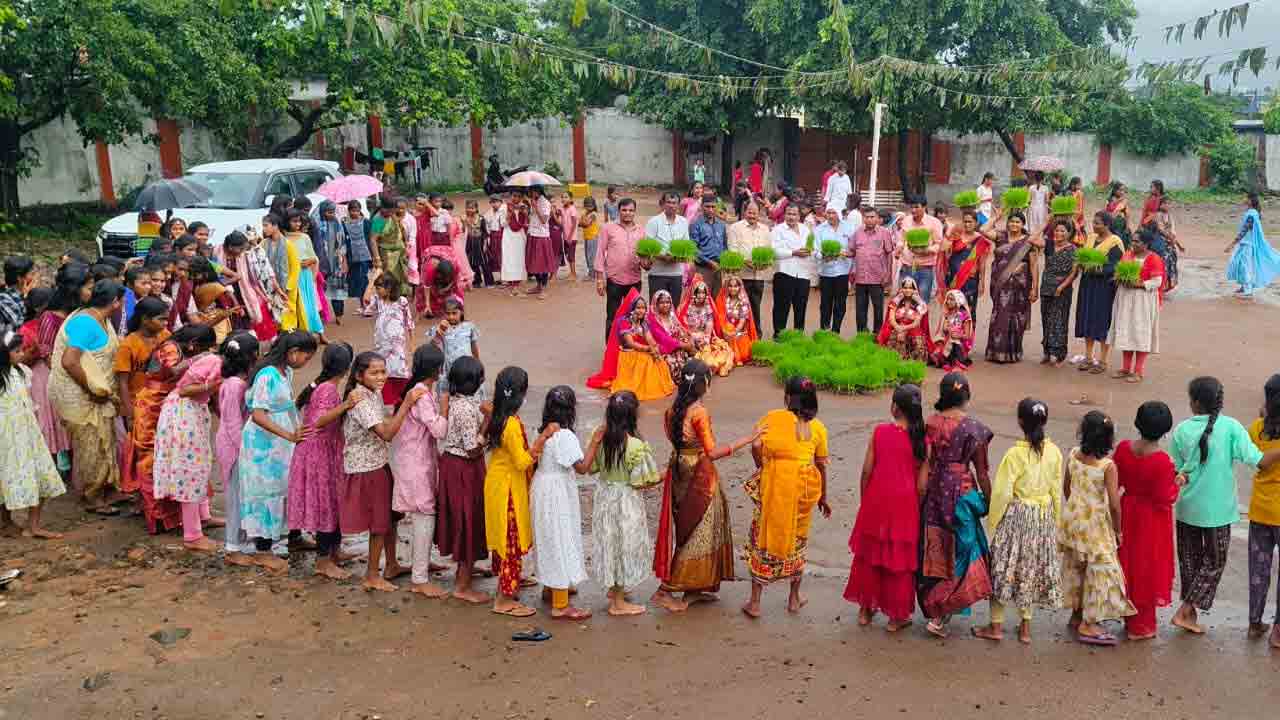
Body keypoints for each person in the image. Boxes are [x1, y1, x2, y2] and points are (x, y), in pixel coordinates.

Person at [1170, 376, 1280, 634]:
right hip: (1218, 511)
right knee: (1214, 562)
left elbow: (1174, 469)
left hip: (1187, 508)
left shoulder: (1183, 430)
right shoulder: (1231, 427)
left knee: (1190, 562)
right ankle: (1186, 610)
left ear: (1194, 403)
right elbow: (1260, 461)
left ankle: (1189, 612)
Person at [652, 359, 757, 612]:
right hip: (699, 472)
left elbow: (677, 442)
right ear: (704, 384)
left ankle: (694, 588)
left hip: (679, 468)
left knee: (687, 525)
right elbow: (712, 452)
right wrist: (745, 440)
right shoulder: (699, 412)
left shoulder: (671, 411)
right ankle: (666, 590)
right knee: (699, 528)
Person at [972, 398, 1063, 644]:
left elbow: (1002, 493)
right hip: (1041, 517)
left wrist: (993, 521)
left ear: (1020, 421)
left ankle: (996, 626)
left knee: (1003, 568)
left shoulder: (1014, 454)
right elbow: (1056, 490)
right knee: (1029, 570)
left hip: (1016, 517)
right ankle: (1025, 628)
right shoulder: (1054, 452)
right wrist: (1055, 523)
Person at [742, 376, 831, 618]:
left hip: (775, 488)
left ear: (787, 398)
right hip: (803, 490)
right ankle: (794, 598)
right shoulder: (819, 428)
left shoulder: (771, 418)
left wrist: (764, 468)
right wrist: (823, 496)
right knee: (798, 540)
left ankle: (755, 602)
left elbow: (756, 445)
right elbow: (821, 465)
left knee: (764, 537)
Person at [341, 351, 425, 592]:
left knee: (390, 516)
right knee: (379, 522)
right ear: (359, 375)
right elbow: (386, 433)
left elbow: (385, 421)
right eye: (374, 372)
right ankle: (371, 574)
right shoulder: (361, 401)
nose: (381, 377)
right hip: (366, 467)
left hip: (377, 461)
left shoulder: (372, 394)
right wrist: (407, 404)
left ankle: (391, 564)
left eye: (383, 371)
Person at [918, 372, 994, 638]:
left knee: (936, 548)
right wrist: (989, 500)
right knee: (963, 548)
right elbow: (982, 472)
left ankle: (936, 608)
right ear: (966, 397)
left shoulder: (931, 423)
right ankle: (941, 613)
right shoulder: (974, 429)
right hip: (962, 494)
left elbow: (925, 463)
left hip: (935, 490)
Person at [844, 384, 925, 631]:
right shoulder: (922, 439)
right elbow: (922, 485)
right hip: (905, 503)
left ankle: (866, 610)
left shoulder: (879, 432)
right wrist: (917, 508)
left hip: (877, 499)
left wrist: (864, 499)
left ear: (894, 408)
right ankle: (896, 617)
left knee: (870, 554)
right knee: (899, 560)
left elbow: (866, 470)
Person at [239, 331, 318, 574]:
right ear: (293, 352)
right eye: (307, 356)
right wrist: (289, 435)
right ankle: (263, 550)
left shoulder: (286, 372)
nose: (307, 362)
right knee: (267, 493)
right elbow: (258, 414)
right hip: (264, 446)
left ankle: (293, 537)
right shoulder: (267, 375)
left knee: (287, 487)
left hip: (280, 443)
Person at [48, 280, 124, 515]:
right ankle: (91, 496)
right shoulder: (85, 323)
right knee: (90, 444)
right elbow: (69, 361)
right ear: (114, 303)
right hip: (81, 396)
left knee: (106, 440)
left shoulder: (100, 318)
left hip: (99, 394)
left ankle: (108, 487)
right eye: (121, 301)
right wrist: (92, 389)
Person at [1060, 410, 1136, 645]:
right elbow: (1114, 504)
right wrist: (1118, 530)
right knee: (1101, 570)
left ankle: (1076, 613)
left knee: (1076, 566)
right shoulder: (1107, 466)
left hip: (1073, 518)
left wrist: (1076, 507)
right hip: (1095, 523)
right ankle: (1089, 623)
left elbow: (1067, 486)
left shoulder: (1073, 454)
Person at [152, 327, 229, 553]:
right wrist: (210, 388)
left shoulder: (205, 359)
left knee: (200, 464)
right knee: (191, 469)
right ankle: (192, 535)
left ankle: (203, 515)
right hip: (183, 413)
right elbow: (186, 390)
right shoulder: (211, 361)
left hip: (191, 411)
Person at [287, 343, 356, 580]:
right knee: (325, 503)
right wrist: (347, 405)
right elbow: (319, 420)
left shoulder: (323, 385)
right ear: (347, 368)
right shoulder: (327, 389)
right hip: (318, 452)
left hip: (323, 450)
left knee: (332, 501)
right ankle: (323, 561)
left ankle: (334, 552)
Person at [485, 366, 549, 617]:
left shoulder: (497, 415)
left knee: (505, 540)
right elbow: (523, 462)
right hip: (508, 489)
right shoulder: (510, 423)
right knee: (510, 541)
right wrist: (541, 442)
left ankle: (509, 583)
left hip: (499, 483)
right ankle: (503, 599)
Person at [530, 386, 599, 620]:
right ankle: (561, 604)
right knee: (560, 538)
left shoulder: (541, 432)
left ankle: (551, 586)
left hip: (541, 487)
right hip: (558, 491)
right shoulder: (566, 436)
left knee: (548, 537)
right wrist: (596, 442)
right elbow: (582, 468)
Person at [589, 391, 660, 616]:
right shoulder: (635, 446)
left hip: (605, 497)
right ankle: (618, 603)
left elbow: (592, 468)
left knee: (610, 543)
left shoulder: (600, 437)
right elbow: (640, 482)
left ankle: (614, 590)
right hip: (625, 501)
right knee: (623, 545)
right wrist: (665, 474)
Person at [1114, 400, 1179, 641]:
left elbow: (1115, 479)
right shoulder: (1163, 461)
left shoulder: (1123, 449)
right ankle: (1140, 625)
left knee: (1127, 561)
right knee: (1147, 567)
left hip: (1128, 509)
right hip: (1152, 520)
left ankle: (1127, 613)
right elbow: (1166, 497)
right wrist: (1178, 482)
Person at [391, 344, 450, 598]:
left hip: (415, 458)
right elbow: (438, 430)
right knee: (424, 514)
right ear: (437, 369)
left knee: (421, 513)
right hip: (416, 462)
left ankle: (421, 565)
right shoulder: (422, 394)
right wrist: (446, 407)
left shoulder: (419, 390)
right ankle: (419, 577)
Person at [0, 330, 66, 539]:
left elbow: (29, 403)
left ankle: (34, 525)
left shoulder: (23, 372)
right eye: (16, 351)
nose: (22, 354)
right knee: (6, 477)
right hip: (6, 435)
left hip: (28, 433)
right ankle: (5, 522)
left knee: (39, 474)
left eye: (22, 350)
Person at [435, 356, 490, 603]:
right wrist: (488, 423)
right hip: (464, 468)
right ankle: (462, 584)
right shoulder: (467, 409)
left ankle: (466, 570)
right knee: (468, 520)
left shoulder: (459, 402)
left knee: (463, 519)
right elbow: (472, 447)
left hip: (454, 465)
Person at [215, 333, 259, 566]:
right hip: (234, 447)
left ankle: (243, 541)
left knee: (241, 494)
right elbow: (232, 421)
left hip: (232, 443)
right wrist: (245, 449)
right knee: (235, 496)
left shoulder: (233, 382)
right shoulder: (235, 386)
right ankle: (233, 547)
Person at [586, 290, 675, 402]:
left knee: (658, 362)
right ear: (632, 309)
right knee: (646, 362)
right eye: (638, 308)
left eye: (643, 308)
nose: (641, 311)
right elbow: (630, 343)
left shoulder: (644, 322)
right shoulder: (624, 322)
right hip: (628, 357)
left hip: (640, 353)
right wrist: (648, 349)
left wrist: (655, 348)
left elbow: (650, 339)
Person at [1248, 375, 1280, 647]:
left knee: (1259, 570)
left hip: (1260, 510)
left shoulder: (1257, 428)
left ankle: (1254, 622)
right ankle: (1279, 631)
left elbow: (1256, 462)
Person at [1108, 229, 1165, 383]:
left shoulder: (1154, 259)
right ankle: (1126, 368)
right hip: (1126, 297)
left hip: (1143, 300)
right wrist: (1120, 279)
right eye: (1132, 241)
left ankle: (1138, 371)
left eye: (1136, 241)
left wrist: (1139, 284)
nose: (1133, 244)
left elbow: (1157, 282)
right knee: (1126, 330)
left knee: (1140, 332)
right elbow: (1118, 272)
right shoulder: (1128, 255)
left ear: (1146, 244)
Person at [983, 210, 1039, 364]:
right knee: (999, 316)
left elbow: (1034, 266)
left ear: (1023, 224)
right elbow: (982, 230)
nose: (1014, 224)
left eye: (1018, 222)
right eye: (1012, 221)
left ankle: (1012, 353)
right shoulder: (1001, 237)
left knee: (1015, 318)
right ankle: (995, 352)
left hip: (1019, 287)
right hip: (999, 285)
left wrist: (1035, 288)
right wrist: (997, 217)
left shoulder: (1029, 242)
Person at [1075, 211, 1124, 374]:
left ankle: (1103, 360)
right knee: (1087, 316)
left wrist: (1097, 268)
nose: (1093, 225)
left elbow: (1115, 266)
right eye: (1093, 222)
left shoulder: (1115, 242)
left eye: (1097, 223)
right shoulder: (1090, 238)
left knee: (1102, 320)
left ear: (1107, 225)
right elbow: (1082, 257)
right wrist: (1082, 264)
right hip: (1088, 284)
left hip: (1104, 287)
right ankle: (1088, 357)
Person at [594, 197, 644, 340]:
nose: (627, 213)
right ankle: (611, 349)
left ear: (635, 212)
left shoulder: (641, 231)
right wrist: (599, 279)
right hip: (614, 280)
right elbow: (600, 253)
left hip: (634, 280)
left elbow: (645, 259)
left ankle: (629, 348)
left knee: (634, 316)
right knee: (613, 315)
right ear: (619, 211)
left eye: (631, 210)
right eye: (624, 210)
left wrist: (647, 262)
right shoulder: (608, 228)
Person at [362, 269, 414, 406]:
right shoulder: (377, 301)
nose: (377, 291)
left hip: (398, 346)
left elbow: (409, 324)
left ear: (389, 288)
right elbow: (366, 301)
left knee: (400, 371)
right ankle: (387, 402)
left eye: (379, 288)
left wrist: (411, 345)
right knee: (384, 372)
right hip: (382, 346)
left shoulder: (402, 301)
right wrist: (371, 282)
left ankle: (401, 401)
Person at [726, 202, 771, 336]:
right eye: (749, 212)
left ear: (759, 214)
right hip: (741, 277)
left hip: (758, 276)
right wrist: (745, 261)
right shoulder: (735, 228)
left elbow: (768, 249)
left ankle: (756, 335)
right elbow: (732, 249)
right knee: (740, 308)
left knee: (756, 307)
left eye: (755, 213)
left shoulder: (765, 229)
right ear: (745, 212)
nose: (752, 215)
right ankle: (741, 336)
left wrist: (764, 262)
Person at [770, 204, 815, 337]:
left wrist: (809, 251)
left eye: (794, 214)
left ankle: (798, 335)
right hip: (784, 273)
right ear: (784, 215)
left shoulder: (805, 230)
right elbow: (774, 251)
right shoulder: (777, 230)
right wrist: (793, 253)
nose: (791, 217)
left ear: (799, 216)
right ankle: (779, 335)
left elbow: (811, 247)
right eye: (789, 214)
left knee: (800, 307)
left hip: (803, 274)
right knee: (781, 307)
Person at [676, 277, 733, 377]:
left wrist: (705, 339)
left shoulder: (708, 308)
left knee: (715, 354)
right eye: (699, 293)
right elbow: (682, 326)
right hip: (690, 339)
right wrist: (692, 337)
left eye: (703, 293)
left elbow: (709, 327)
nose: (701, 295)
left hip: (704, 339)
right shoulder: (687, 308)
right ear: (694, 294)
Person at [1226, 191, 1280, 298]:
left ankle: (1248, 291)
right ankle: (1243, 287)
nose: (1244, 199)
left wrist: (1232, 244)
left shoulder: (1251, 214)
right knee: (1240, 265)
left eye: (1246, 198)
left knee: (1246, 266)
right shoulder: (1252, 212)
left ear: (1250, 201)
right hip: (1244, 243)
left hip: (1248, 244)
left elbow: (1245, 230)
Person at [1039, 219, 1077, 366]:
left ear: (1069, 233)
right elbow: (1032, 239)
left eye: (1062, 231)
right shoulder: (1048, 245)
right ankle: (1047, 352)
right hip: (1046, 288)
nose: (1058, 233)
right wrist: (1046, 222)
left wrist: (1061, 287)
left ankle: (1059, 355)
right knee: (1046, 320)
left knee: (1059, 321)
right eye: (1056, 230)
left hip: (1062, 290)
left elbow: (1074, 272)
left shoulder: (1073, 250)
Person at [281, 209, 326, 336]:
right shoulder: (283, 240)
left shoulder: (305, 237)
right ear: (287, 222)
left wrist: (309, 262)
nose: (298, 224)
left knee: (310, 305)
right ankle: (300, 334)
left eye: (299, 221)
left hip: (305, 275)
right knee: (296, 307)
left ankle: (318, 332)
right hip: (292, 277)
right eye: (294, 221)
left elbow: (314, 257)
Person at [850, 206, 894, 334]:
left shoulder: (884, 233)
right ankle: (862, 333)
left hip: (877, 278)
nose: (869, 220)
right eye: (867, 217)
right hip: (861, 278)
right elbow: (851, 251)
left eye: (872, 217)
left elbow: (889, 254)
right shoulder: (857, 233)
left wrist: (888, 275)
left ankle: (878, 334)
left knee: (878, 308)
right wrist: (836, 254)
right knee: (860, 309)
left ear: (877, 219)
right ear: (863, 218)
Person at [644, 192, 692, 307]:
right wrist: (663, 257)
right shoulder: (653, 222)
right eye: (668, 202)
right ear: (663, 204)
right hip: (657, 274)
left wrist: (681, 256)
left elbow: (686, 245)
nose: (671, 205)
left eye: (674, 203)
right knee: (656, 308)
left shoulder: (683, 222)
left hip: (676, 274)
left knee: (673, 308)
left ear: (678, 205)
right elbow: (647, 248)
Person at [426, 296, 480, 395]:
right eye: (448, 313)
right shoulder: (439, 328)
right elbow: (431, 347)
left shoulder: (469, 327)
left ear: (461, 312)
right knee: (448, 397)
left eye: (454, 313)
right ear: (443, 314)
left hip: (467, 368)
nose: (451, 317)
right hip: (448, 370)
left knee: (467, 395)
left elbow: (474, 347)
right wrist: (439, 333)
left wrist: (478, 364)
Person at [813, 207, 853, 333]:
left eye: (833, 212)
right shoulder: (819, 229)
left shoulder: (849, 228)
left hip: (843, 271)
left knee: (840, 303)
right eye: (828, 212)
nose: (830, 215)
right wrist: (823, 256)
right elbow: (815, 250)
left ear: (839, 214)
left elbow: (853, 248)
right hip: (826, 272)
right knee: (825, 303)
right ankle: (824, 329)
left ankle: (836, 330)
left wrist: (847, 253)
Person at [875, 277, 931, 362]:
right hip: (898, 327)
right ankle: (897, 358)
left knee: (917, 341)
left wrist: (904, 329)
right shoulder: (895, 301)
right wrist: (898, 327)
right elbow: (891, 319)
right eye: (905, 287)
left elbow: (916, 322)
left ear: (914, 290)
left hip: (912, 328)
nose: (907, 290)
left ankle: (914, 360)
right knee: (896, 336)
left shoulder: (920, 303)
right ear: (901, 289)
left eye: (910, 288)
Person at [647, 289, 694, 382]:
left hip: (678, 348)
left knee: (693, 361)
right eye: (661, 302)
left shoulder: (672, 315)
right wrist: (684, 345)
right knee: (673, 364)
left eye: (668, 302)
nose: (665, 305)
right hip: (664, 351)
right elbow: (664, 339)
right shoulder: (653, 319)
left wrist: (689, 339)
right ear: (656, 304)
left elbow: (681, 329)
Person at [315, 201, 349, 320]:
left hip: (336, 262)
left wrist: (344, 260)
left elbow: (343, 243)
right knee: (320, 291)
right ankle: (322, 315)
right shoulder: (317, 225)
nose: (332, 214)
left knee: (337, 290)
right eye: (329, 212)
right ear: (323, 212)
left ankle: (339, 315)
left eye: (333, 212)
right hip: (322, 263)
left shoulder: (337, 223)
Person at [342, 201, 376, 315]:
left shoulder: (366, 222)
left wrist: (374, 255)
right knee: (356, 281)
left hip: (366, 256)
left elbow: (371, 238)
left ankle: (368, 305)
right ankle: (362, 305)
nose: (354, 213)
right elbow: (343, 240)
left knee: (365, 279)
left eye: (357, 210)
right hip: (352, 256)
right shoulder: (344, 223)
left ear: (360, 210)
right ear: (349, 210)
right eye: (352, 210)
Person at [690, 195, 727, 296]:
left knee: (717, 298)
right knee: (703, 298)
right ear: (702, 207)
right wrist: (709, 262)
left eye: (713, 207)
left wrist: (725, 262)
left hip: (718, 268)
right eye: (707, 206)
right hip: (703, 268)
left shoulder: (721, 225)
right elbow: (694, 248)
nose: (711, 210)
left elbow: (724, 246)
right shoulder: (696, 225)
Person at [716, 274, 757, 366]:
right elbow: (719, 317)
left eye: (735, 286)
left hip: (739, 333)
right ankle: (732, 356)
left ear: (740, 287)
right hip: (725, 332)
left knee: (744, 354)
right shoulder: (724, 300)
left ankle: (734, 356)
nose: (732, 289)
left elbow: (742, 322)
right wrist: (725, 331)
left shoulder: (743, 302)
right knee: (728, 328)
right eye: (730, 286)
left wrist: (733, 332)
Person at [372, 197, 408, 297]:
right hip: (387, 255)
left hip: (400, 253)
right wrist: (377, 259)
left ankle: (401, 301)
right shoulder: (378, 220)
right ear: (383, 208)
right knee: (389, 279)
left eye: (393, 210)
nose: (392, 212)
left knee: (401, 278)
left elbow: (401, 229)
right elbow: (373, 240)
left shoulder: (393, 215)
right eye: (390, 210)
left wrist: (406, 244)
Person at [929, 290, 974, 371]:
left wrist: (958, 335)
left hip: (959, 343)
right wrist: (946, 329)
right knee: (938, 347)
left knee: (954, 343)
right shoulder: (946, 314)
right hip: (947, 341)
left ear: (958, 300)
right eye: (948, 299)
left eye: (951, 299)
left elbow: (967, 336)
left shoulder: (964, 316)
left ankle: (955, 362)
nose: (948, 301)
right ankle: (947, 360)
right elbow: (943, 330)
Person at [524, 187, 556, 297]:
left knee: (542, 264)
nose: (531, 193)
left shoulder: (545, 202)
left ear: (539, 191)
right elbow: (532, 218)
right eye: (530, 192)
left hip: (542, 236)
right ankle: (538, 286)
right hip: (533, 234)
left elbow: (544, 220)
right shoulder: (534, 201)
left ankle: (543, 289)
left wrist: (535, 207)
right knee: (534, 262)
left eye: (533, 191)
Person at [501, 191, 529, 296]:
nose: (516, 198)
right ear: (511, 196)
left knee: (519, 259)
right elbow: (502, 224)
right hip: (508, 236)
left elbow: (526, 224)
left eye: (519, 196)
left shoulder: (523, 207)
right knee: (509, 259)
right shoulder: (504, 207)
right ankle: (511, 286)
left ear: (521, 198)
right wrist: (508, 216)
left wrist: (525, 213)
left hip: (520, 237)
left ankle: (516, 286)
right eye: (514, 196)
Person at [0, 256, 34, 334]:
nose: (32, 277)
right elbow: (19, 325)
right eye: (30, 274)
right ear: (20, 278)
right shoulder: (4, 299)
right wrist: (25, 298)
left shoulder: (11, 292)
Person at [480, 195, 504, 288]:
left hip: (501, 235)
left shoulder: (504, 211)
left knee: (502, 256)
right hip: (492, 237)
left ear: (501, 202)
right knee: (494, 257)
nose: (494, 204)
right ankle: (499, 278)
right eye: (492, 202)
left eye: (496, 202)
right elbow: (486, 225)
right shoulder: (488, 213)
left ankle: (504, 279)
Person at [579, 196, 600, 282]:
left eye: (590, 205)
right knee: (587, 256)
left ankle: (592, 275)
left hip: (593, 237)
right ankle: (590, 273)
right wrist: (582, 222)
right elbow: (580, 223)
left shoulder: (593, 214)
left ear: (594, 205)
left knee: (592, 256)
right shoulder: (585, 213)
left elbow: (586, 224)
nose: (588, 207)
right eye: (587, 205)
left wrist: (582, 221)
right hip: (587, 237)